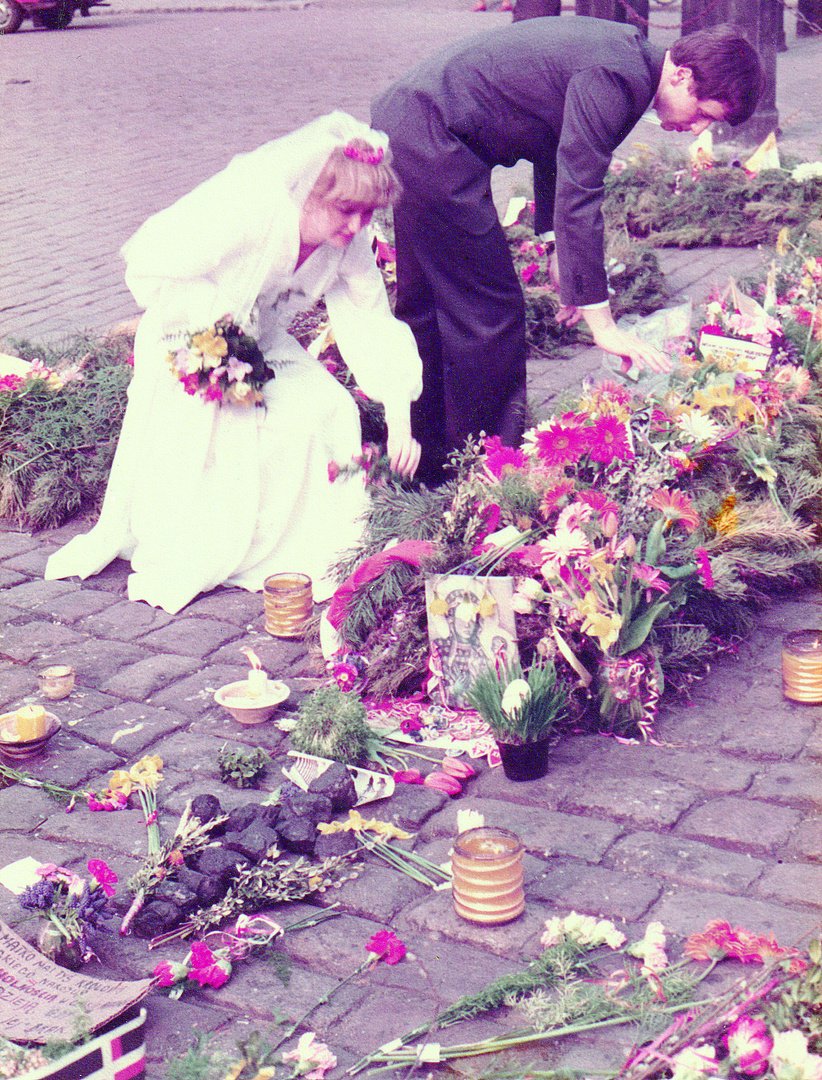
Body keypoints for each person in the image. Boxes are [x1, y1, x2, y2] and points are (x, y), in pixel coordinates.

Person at [45, 112, 422, 614]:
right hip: (187, 335)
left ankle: (303, 541)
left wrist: (399, 418)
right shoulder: (254, 206)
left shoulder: (348, 246)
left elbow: (370, 319)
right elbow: (153, 260)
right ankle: (208, 541)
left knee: (328, 405)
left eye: (367, 214)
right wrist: (210, 339)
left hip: (259, 339)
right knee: (231, 423)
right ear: (310, 192)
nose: (355, 226)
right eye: (345, 210)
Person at [371, 19, 764, 487]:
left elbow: (556, 142)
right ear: (681, 75)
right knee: (490, 314)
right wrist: (604, 325)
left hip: (411, 122)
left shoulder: (624, 60)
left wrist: (558, 244)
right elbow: (582, 188)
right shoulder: (618, 78)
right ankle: (487, 476)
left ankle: (420, 459)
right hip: (433, 139)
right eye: (704, 113)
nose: (697, 130)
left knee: (431, 303)